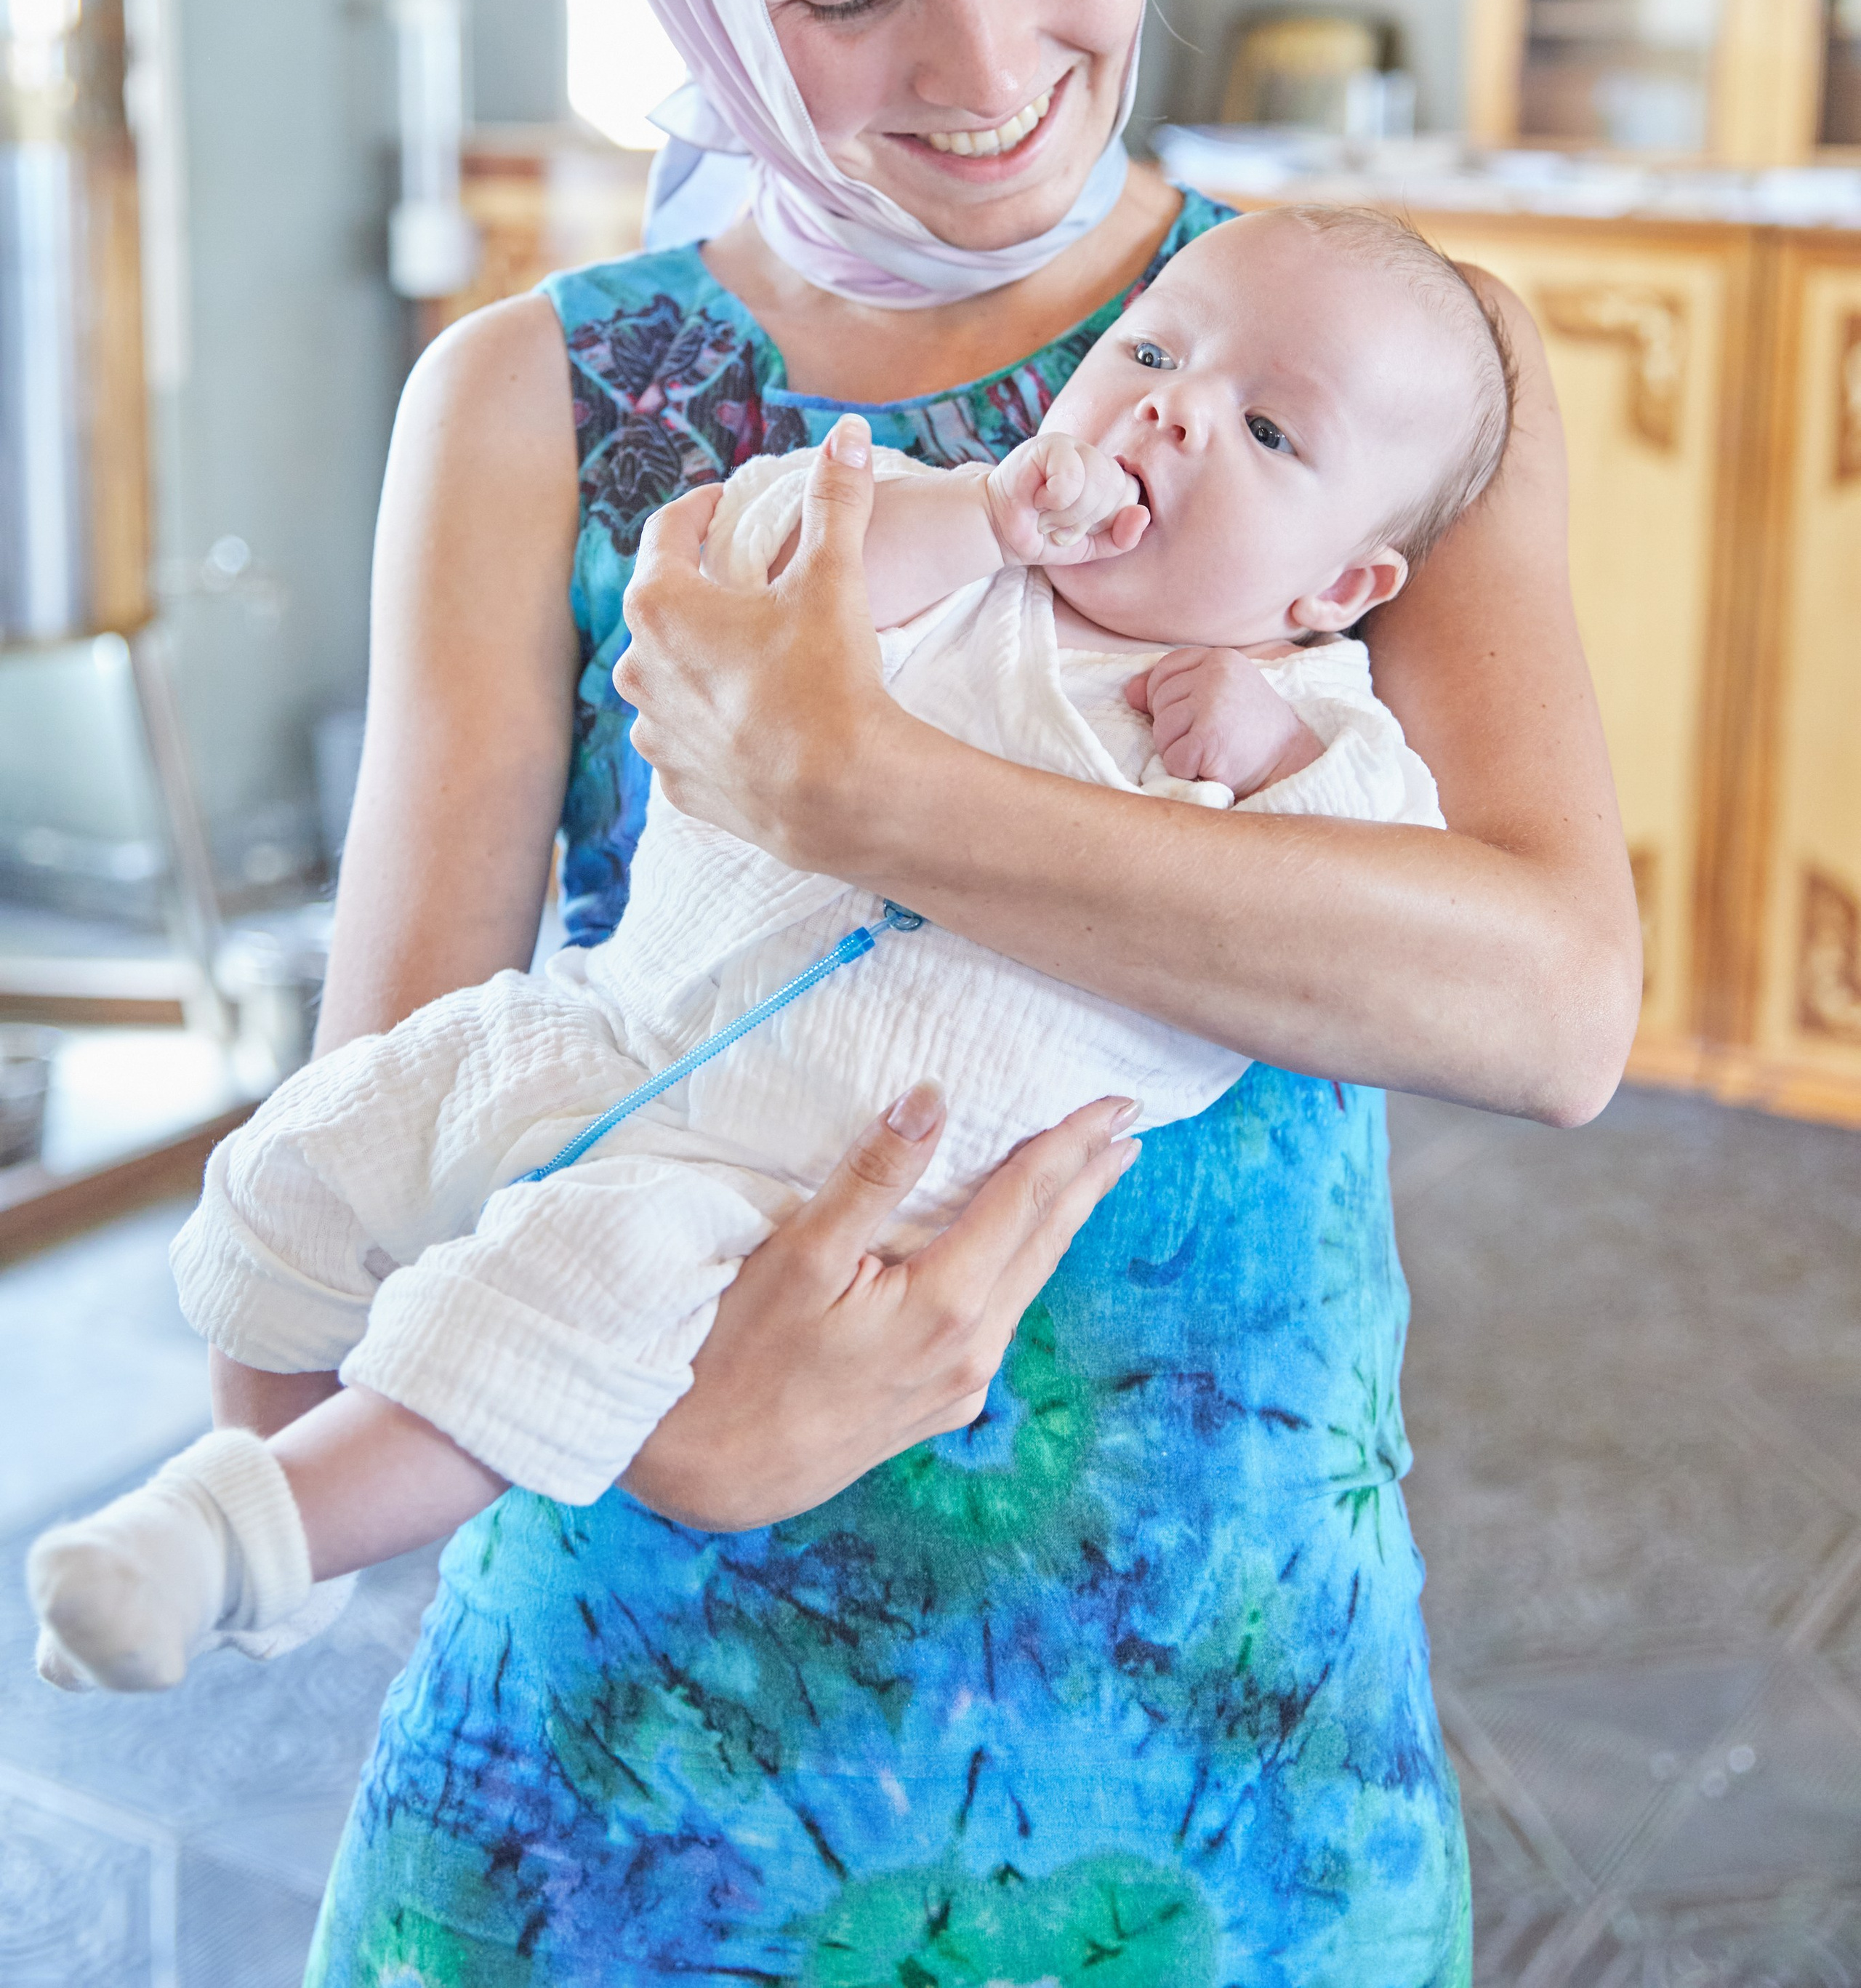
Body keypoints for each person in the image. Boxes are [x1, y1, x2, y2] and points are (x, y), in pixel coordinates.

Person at [207, 0, 1636, 1981]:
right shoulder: (542, 400)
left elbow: (1547, 1003)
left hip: (1213, 1744)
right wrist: (674, 1437)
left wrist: (874, 799)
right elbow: (360, 1227)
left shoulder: (1376, 362)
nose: (987, 63)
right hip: (636, 1755)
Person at [29, 205, 1516, 1693]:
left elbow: (1388, 907)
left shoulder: (1324, 732)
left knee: (542, 1303)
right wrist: (990, 515)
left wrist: (1263, 755)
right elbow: (766, 566)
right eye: (1149, 350)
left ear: (1337, 590)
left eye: (1263, 430)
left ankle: (228, 1544)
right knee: (313, 1147)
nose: (1171, 409)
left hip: (784, 1199)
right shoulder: (940, 537)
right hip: (598, 1030)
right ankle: (256, 1484)